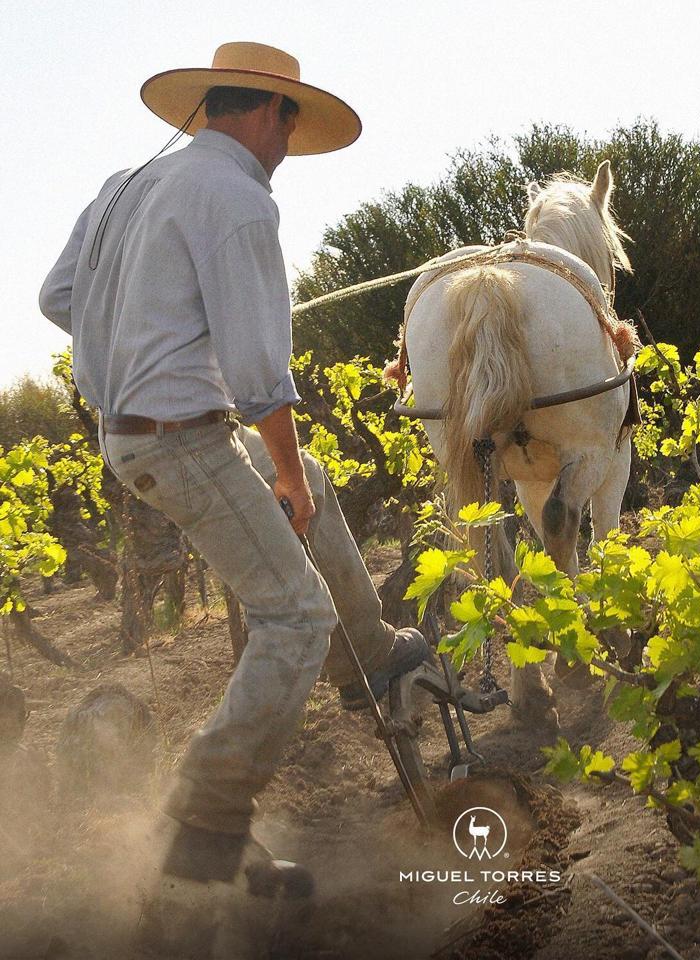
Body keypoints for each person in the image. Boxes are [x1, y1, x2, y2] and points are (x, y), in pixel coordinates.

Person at [38, 42, 429, 897]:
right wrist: (278, 470)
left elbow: (56, 299)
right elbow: (259, 371)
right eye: (290, 124)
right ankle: (204, 817)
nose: (290, 146)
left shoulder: (124, 187)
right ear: (268, 112)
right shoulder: (239, 198)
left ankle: (371, 655)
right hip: (183, 438)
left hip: (138, 433)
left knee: (316, 484)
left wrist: (142, 336)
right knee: (291, 616)